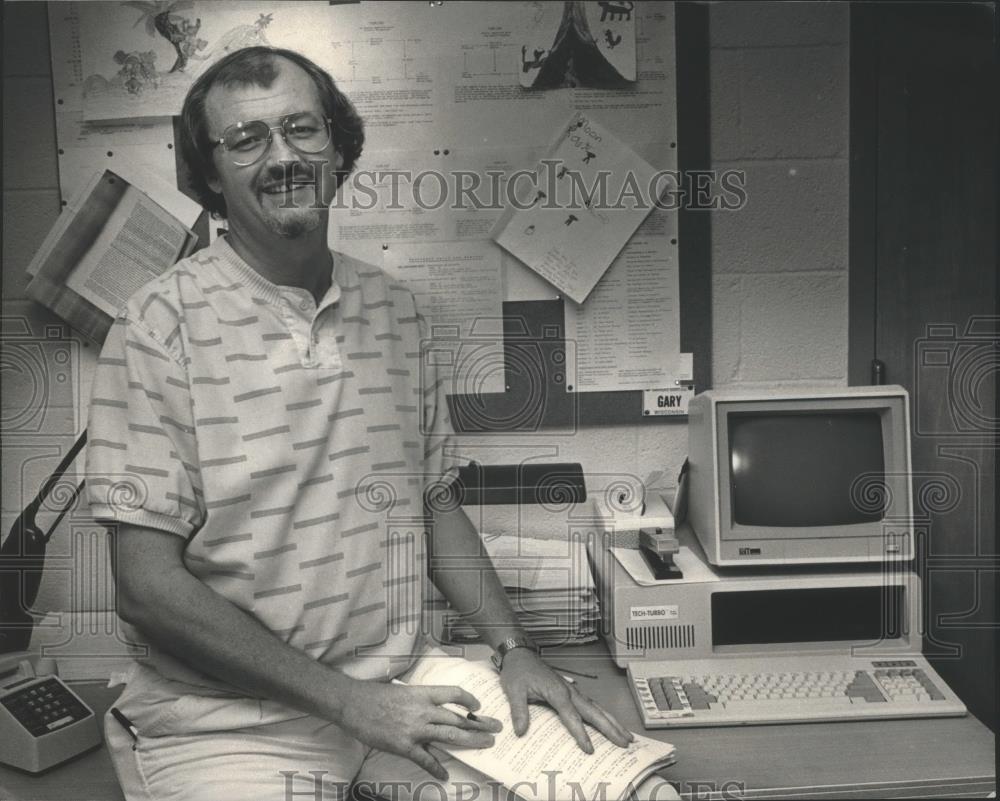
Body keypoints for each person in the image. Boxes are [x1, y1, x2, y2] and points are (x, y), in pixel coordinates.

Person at [86, 46, 676, 801]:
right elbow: (147, 587)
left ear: (338, 148)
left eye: (303, 128)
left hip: (403, 685)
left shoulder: (396, 312)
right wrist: (346, 702)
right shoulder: (155, 327)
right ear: (207, 172)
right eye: (246, 138)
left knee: (625, 786)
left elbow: (435, 507)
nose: (283, 156)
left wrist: (514, 648)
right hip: (228, 724)